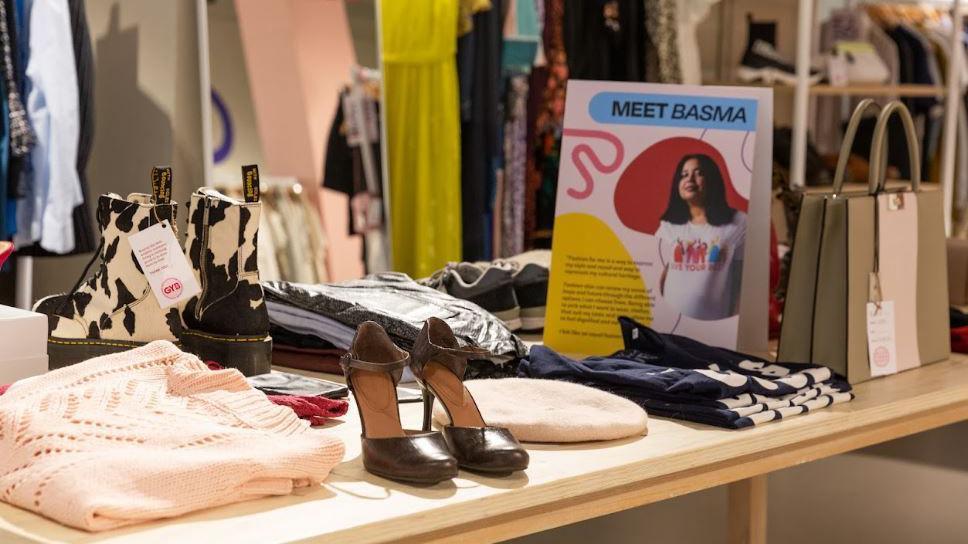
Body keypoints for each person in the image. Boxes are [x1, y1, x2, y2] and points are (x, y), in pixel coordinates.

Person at [657, 154, 746, 320]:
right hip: (669, 322)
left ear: (712, 180)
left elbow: (741, 281)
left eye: (698, 173)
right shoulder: (668, 225)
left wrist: (732, 323)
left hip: (714, 327)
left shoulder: (739, 222)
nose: (690, 179)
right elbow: (661, 275)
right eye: (684, 175)